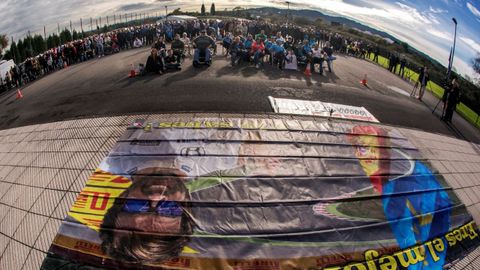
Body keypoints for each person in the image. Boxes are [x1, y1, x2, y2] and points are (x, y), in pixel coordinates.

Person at [100, 167, 193, 264]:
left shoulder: (110, 163)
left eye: (136, 205)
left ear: (122, 197)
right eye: (168, 209)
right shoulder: (208, 166)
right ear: (186, 205)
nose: (156, 197)